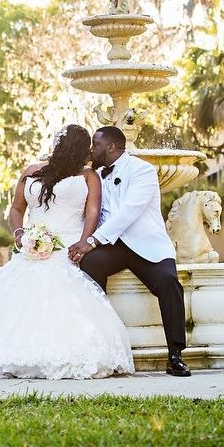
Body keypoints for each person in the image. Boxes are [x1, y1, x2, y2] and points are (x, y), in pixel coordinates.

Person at [0, 125, 134, 380]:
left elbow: (92, 212)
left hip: (68, 247)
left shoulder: (88, 176)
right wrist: (20, 234)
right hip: (31, 247)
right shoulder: (31, 172)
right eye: (86, 147)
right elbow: (16, 209)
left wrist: (84, 243)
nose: (91, 152)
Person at [68, 126, 191, 377]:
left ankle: (175, 355)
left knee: (168, 282)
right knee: (90, 264)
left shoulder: (142, 170)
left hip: (146, 245)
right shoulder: (93, 175)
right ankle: (101, 344)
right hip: (113, 246)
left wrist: (91, 241)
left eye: (95, 144)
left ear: (111, 147)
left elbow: (129, 212)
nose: (92, 149)